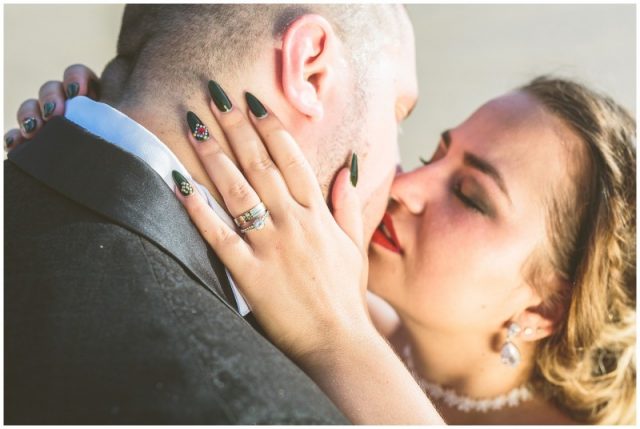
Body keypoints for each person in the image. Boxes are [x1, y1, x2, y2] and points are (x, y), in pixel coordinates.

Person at [10, 69, 636, 423]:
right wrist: (107, 134)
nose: (408, 187)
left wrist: (335, 337)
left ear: (544, 307)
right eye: (434, 154)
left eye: (470, 196)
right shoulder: (328, 284)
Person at [4, 4, 430, 424]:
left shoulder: (34, 173)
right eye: (398, 113)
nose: (401, 176)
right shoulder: (255, 411)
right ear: (309, 71)